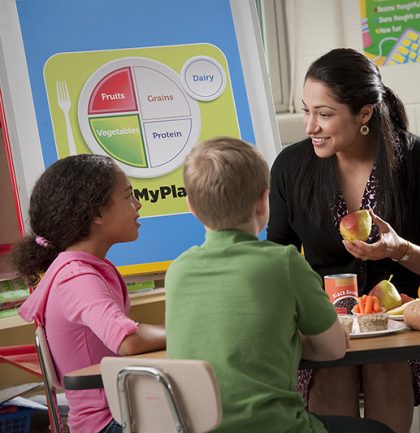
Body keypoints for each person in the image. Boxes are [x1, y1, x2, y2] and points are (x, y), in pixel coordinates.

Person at [267, 48, 420, 433]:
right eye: (306, 110)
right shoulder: (291, 167)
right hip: (324, 327)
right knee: (333, 371)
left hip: (401, 326)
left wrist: (401, 249)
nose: (310, 126)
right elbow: (279, 255)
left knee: (386, 366)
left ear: (364, 113)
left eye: (324, 114)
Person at [165, 137, 394, 433]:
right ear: (264, 200)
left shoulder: (178, 271)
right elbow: (333, 348)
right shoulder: (284, 262)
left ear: (191, 206)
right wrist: (288, 339)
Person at [13, 155, 166, 433]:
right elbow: (127, 340)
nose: (138, 205)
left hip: (121, 411)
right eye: (129, 196)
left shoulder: (87, 267)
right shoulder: (77, 278)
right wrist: (189, 332)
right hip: (108, 422)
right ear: (96, 213)